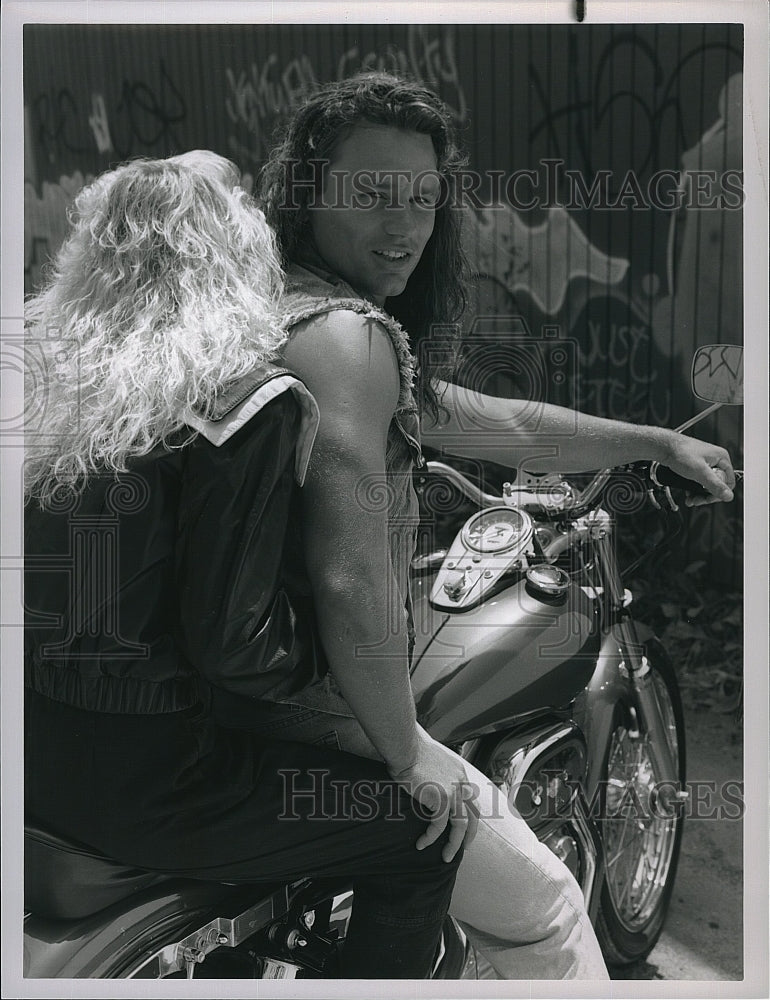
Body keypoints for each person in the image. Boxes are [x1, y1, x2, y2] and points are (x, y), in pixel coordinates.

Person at [244, 72, 737, 980]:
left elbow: (500, 423)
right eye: (375, 195)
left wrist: (654, 439)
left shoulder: (264, 307)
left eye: (425, 200)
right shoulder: (346, 336)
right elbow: (352, 578)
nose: (406, 228)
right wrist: (407, 754)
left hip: (221, 706)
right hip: (318, 718)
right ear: (310, 190)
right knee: (548, 911)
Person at [22, 150, 464, 980]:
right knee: (419, 835)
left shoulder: (45, 379)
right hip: (152, 785)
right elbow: (236, 646)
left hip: (28, 749)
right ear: (237, 252)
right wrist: (332, 660)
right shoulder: (240, 403)